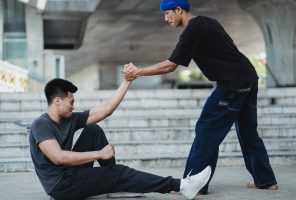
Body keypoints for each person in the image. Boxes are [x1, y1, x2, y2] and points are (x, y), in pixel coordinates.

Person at [123, 0, 278, 194]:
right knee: (248, 132)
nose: (166, 18)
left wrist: (138, 72)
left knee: (207, 130)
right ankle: (266, 180)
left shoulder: (193, 30)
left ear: (179, 10)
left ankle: (193, 184)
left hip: (232, 84)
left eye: (167, 13)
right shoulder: (208, 22)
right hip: (248, 77)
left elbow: (170, 65)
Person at [29, 69, 211, 200]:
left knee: (93, 130)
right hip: (61, 186)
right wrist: (99, 154)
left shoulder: (70, 119)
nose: (74, 105)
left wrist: (127, 81)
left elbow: (107, 110)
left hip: (71, 175)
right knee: (120, 173)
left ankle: (115, 184)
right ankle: (181, 186)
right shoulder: (41, 124)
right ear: (58, 101)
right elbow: (59, 157)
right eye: (71, 101)